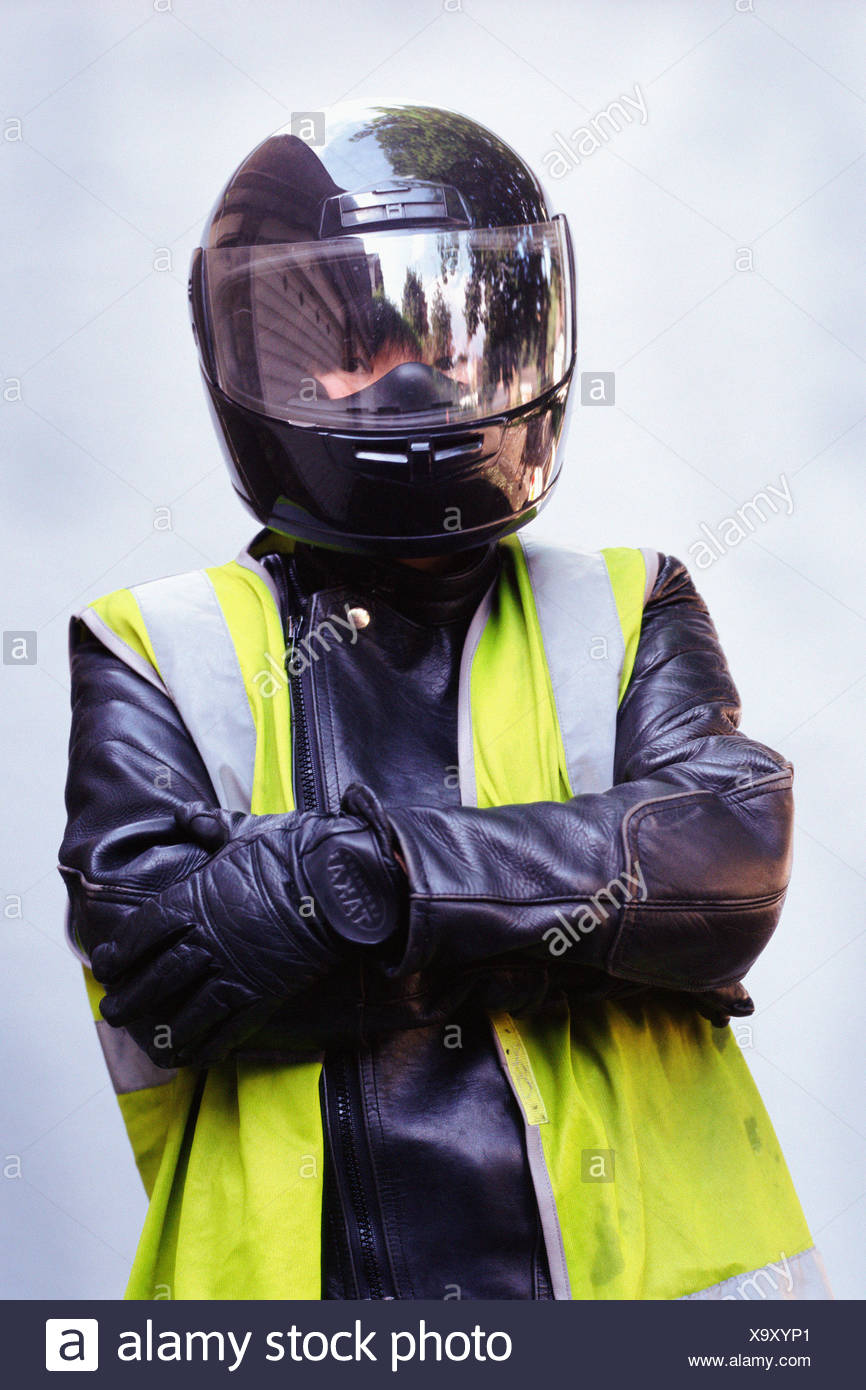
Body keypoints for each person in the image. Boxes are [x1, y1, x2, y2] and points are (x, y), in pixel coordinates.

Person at [59, 102, 831, 1301]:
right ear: (252, 361)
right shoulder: (157, 645)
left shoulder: (629, 601)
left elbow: (723, 870)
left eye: (445, 339)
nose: (410, 379)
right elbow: (166, 978)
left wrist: (355, 885)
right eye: (354, 347)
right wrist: (583, 927)